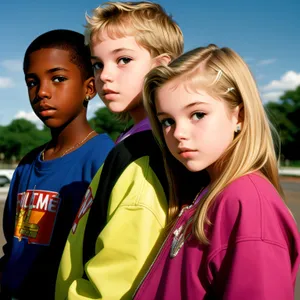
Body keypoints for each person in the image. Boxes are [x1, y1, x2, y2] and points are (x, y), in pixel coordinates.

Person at [56, 2, 205, 300]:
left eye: (122, 60)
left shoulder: (145, 154)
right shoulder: (129, 143)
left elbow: (118, 283)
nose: (105, 75)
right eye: (98, 64)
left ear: (161, 67)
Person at [133, 44, 300, 299]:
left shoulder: (248, 203)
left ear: (239, 116)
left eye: (197, 114)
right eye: (168, 120)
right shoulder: (211, 190)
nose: (178, 133)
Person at [0, 29, 115, 299]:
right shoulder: (28, 164)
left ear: (90, 88)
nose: (41, 92)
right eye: (32, 82)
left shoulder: (105, 159)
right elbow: (13, 248)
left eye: (58, 79)